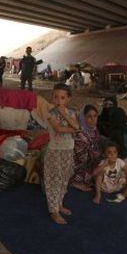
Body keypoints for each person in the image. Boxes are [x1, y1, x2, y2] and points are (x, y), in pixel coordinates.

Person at [44, 83, 79, 224]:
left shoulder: (71, 113)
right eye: (56, 97)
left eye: (63, 98)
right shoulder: (50, 113)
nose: (59, 101)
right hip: (55, 151)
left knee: (64, 178)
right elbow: (59, 129)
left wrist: (64, 114)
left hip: (68, 150)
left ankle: (59, 204)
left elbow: (76, 126)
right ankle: (53, 211)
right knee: (54, 180)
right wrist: (73, 128)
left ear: (68, 99)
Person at [70, 105, 103, 192]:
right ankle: (74, 182)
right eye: (89, 117)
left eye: (95, 116)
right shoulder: (80, 134)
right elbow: (83, 159)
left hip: (89, 162)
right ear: (83, 118)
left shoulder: (94, 131)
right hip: (76, 165)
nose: (93, 119)